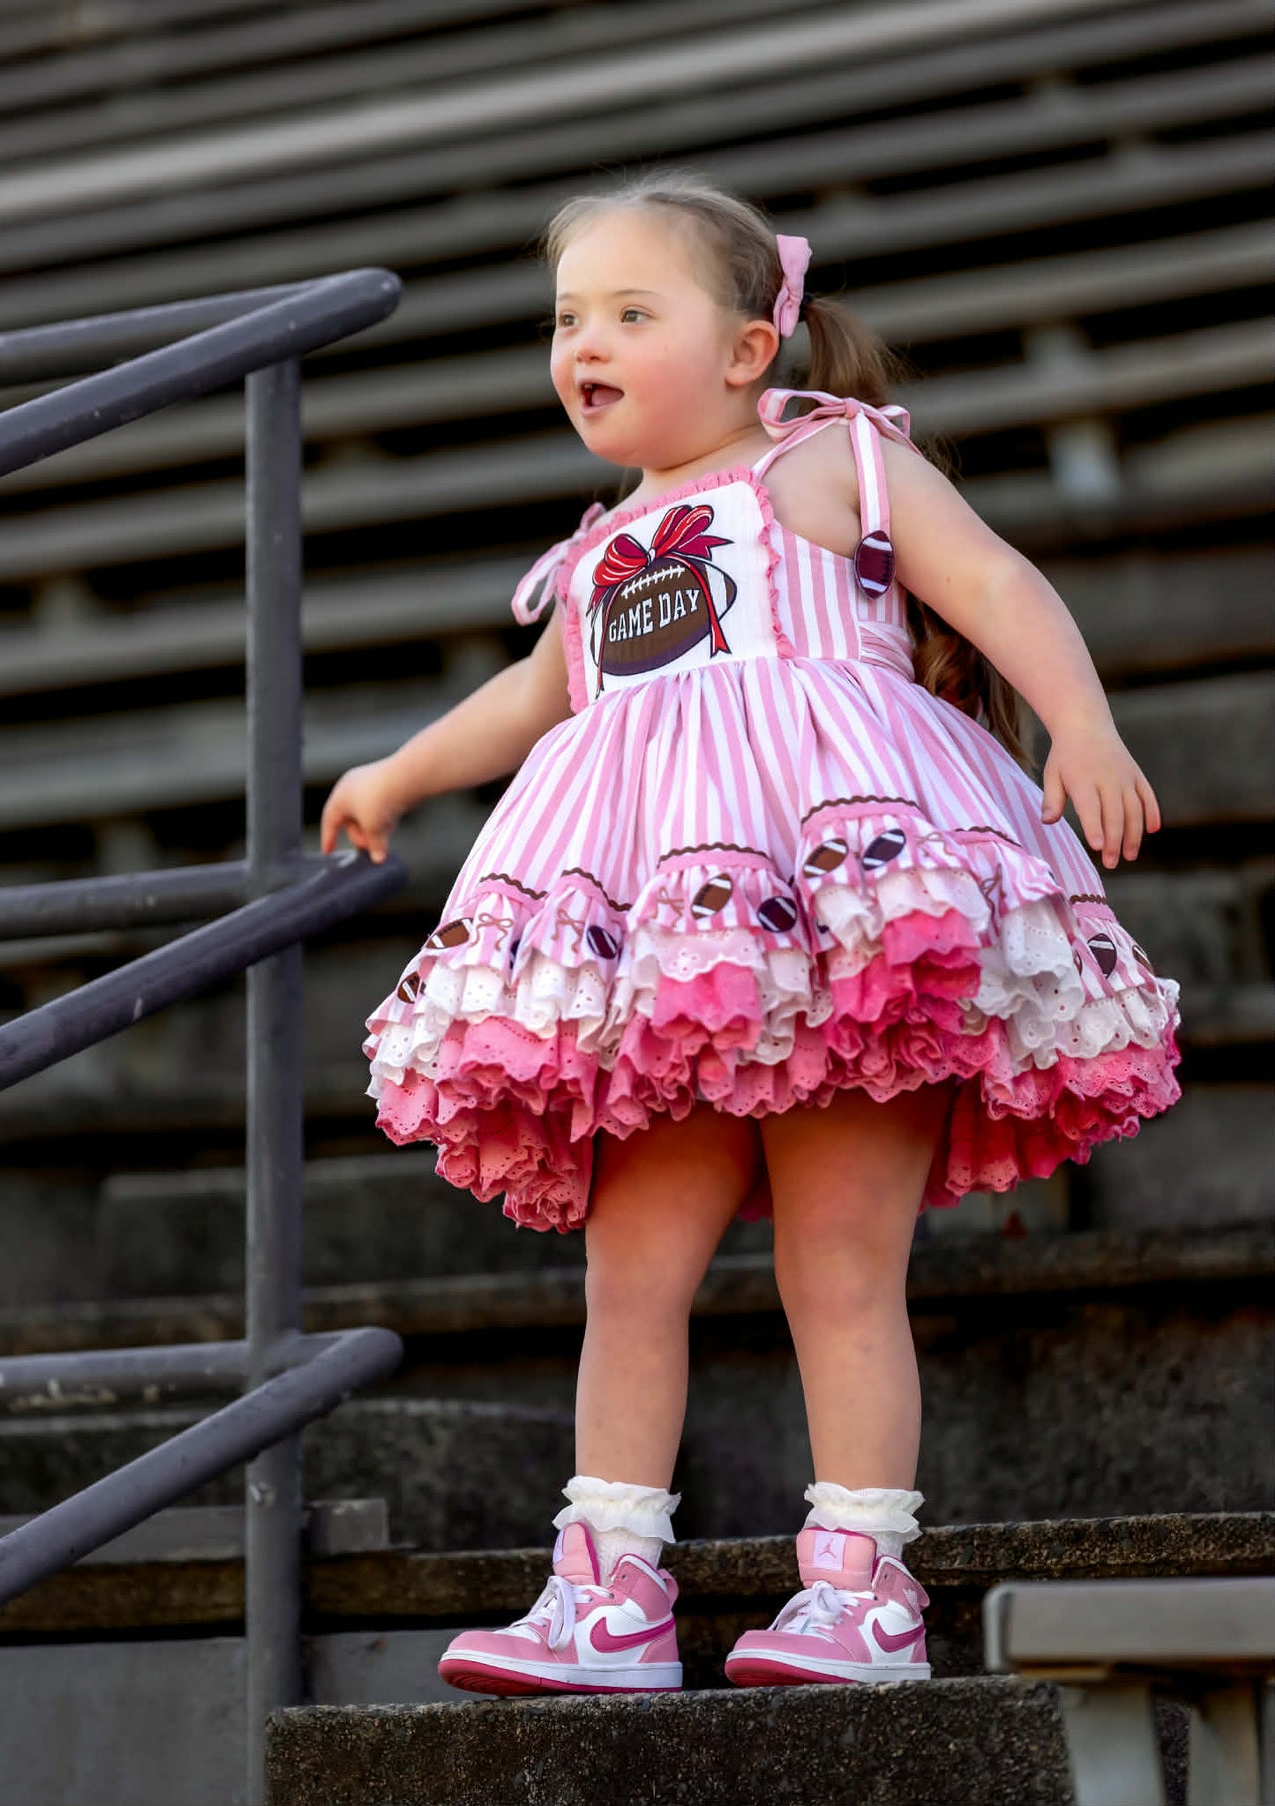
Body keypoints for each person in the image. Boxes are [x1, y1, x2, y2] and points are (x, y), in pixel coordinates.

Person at [320, 173, 1181, 1695]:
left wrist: (1083, 724)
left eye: (629, 312)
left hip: (845, 923)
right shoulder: (600, 552)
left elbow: (987, 579)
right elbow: (533, 701)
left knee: (837, 1264)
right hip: (668, 958)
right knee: (628, 1268)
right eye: (566, 318)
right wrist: (392, 772)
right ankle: (609, 1589)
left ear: (744, 347)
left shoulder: (826, 465)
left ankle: (860, 1588)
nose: (583, 340)